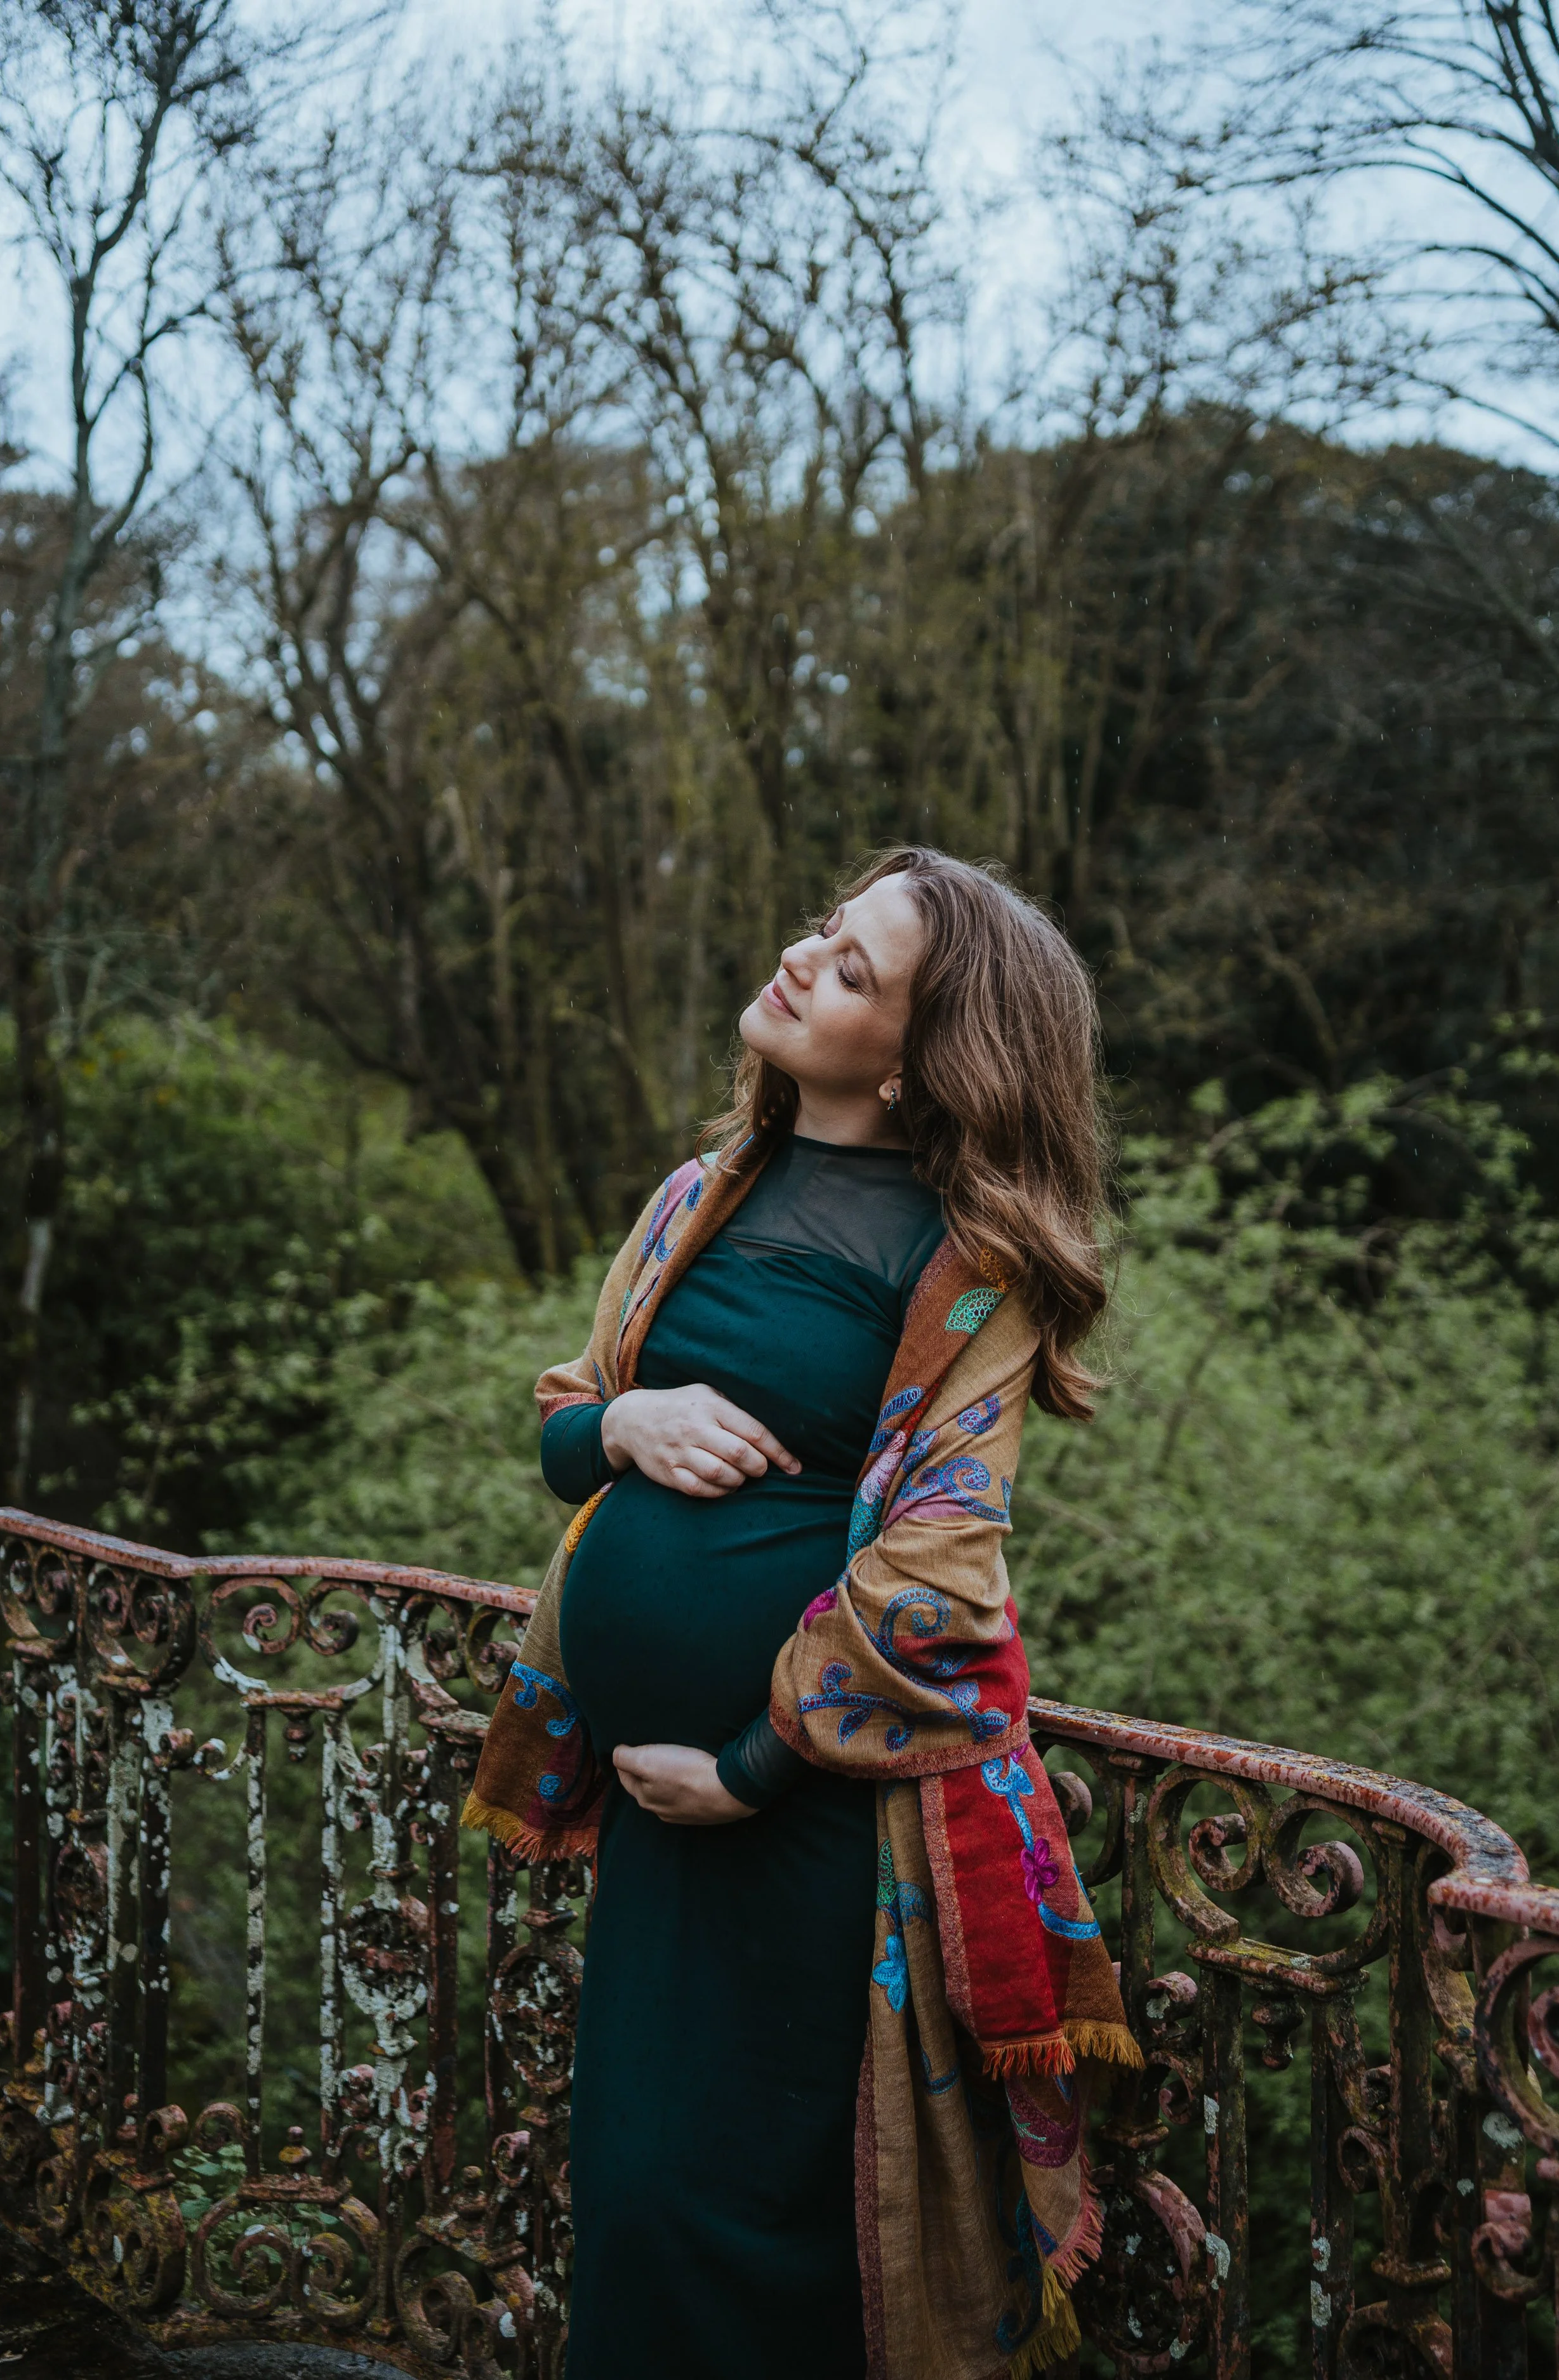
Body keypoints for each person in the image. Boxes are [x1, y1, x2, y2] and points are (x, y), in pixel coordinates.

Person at [465, 847, 1140, 2380]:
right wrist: (622, 1433)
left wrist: (754, 1769)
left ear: (919, 1062)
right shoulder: (701, 1193)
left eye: (853, 970)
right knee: (633, 2188)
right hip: (655, 1813)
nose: (798, 961)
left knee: (774, 2220)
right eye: (820, 934)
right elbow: (570, 1419)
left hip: (808, 1822)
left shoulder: (971, 1269)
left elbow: (941, 1569)